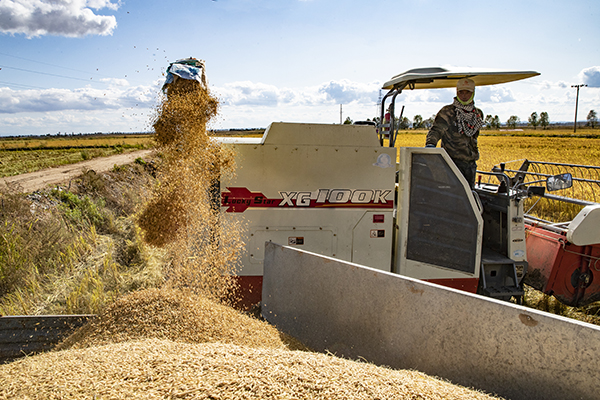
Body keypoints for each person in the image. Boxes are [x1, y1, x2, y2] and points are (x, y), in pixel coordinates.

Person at [425, 78, 484, 188]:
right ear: (457, 92)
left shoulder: (478, 114)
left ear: (473, 93)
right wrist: (430, 144)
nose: (464, 95)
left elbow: (473, 135)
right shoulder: (447, 112)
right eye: (461, 92)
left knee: (469, 195)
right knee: (453, 195)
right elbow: (436, 130)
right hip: (452, 162)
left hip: (470, 163)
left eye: (467, 92)